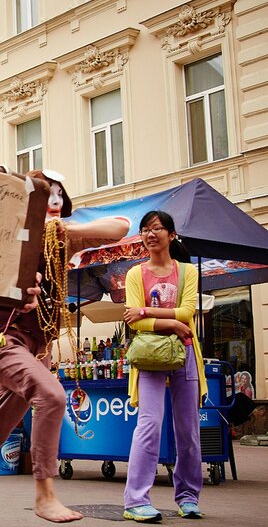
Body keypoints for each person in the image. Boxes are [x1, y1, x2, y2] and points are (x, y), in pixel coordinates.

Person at [0, 169, 129, 526]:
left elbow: (121, 225)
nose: (53, 200)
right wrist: (16, 289)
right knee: (53, 397)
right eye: (44, 194)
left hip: (33, 350)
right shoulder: (6, 238)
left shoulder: (60, 240)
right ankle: (44, 494)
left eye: (58, 194)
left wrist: (61, 231)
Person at [121, 210, 207, 522]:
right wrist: (172, 326)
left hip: (184, 356)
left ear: (171, 235)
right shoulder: (135, 274)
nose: (151, 234)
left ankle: (188, 497)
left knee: (188, 430)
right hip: (150, 356)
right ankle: (135, 501)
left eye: (157, 228)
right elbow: (137, 325)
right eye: (145, 229)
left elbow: (187, 313)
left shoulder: (187, 271)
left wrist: (147, 311)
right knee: (149, 425)